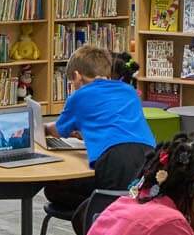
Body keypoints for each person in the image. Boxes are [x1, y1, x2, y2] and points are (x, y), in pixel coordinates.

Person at [49, 44, 156, 213]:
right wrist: (87, 134)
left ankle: (94, 217)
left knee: (54, 190)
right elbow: (116, 124)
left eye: (72, 82)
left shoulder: (79, 96)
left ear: (77, 76)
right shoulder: (129, 91)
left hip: (114, 159)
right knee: (131, 199)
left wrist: (44, 128)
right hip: (149, 156)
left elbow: (59, 130)